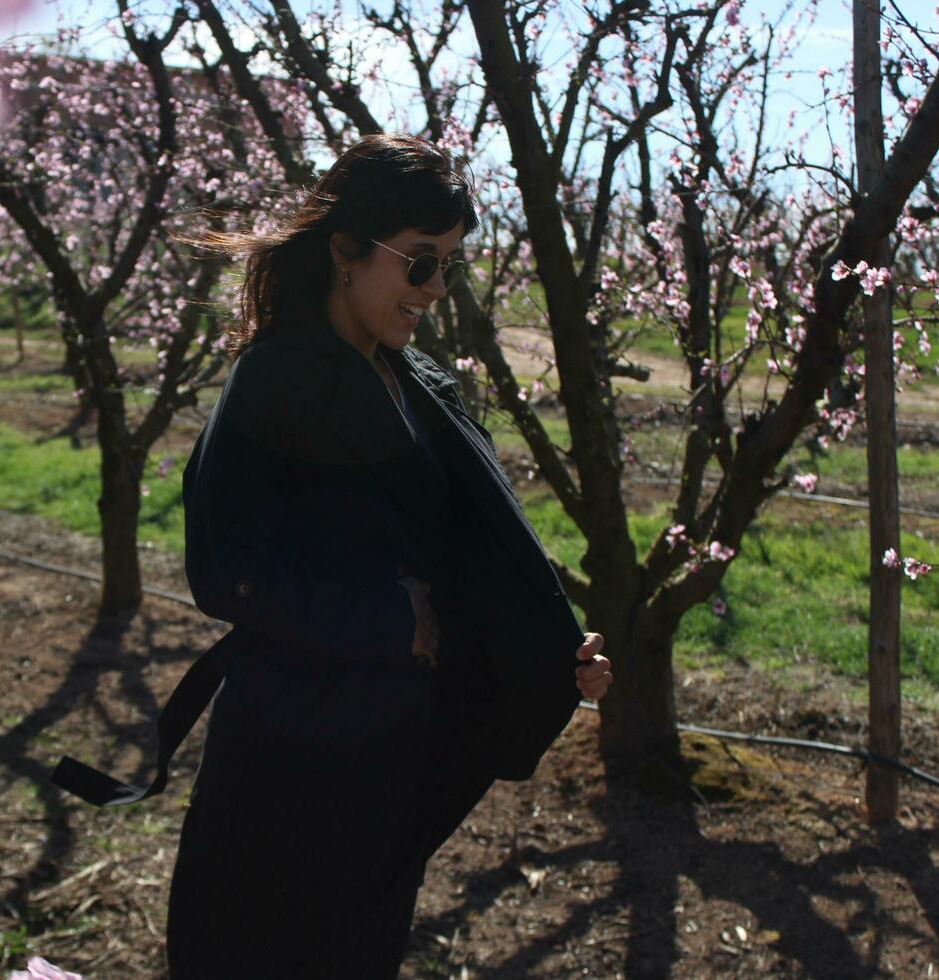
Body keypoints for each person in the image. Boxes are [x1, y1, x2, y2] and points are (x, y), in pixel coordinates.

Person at [162, 134, 613, 978]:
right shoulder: (274, 380)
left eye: (449, 266)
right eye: (419, 264)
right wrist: (385, 618)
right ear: (344, 250)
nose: (436, 290)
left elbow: (460, 551)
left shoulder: (417, 383)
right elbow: (224, 568)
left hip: (384, 770)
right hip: (286, 772)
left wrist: (544, 644)